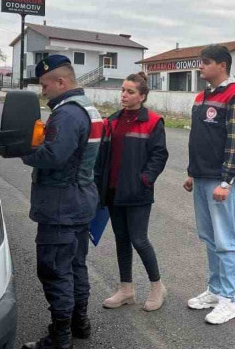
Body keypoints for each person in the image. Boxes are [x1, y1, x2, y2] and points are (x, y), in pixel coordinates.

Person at [20, 55, 103, 349]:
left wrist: (24, 152)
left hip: (60, 206)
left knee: (56, 271)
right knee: (75, 266)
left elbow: (54, 156)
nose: (43, 92)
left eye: (45, 85)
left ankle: (60, 337)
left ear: (61, 82)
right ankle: (79, 323)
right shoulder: (88, 108)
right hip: (80, 200)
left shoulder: (67, 114)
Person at [183, 44, 235, 325]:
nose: (201, 66)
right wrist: (192, 172)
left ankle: (229, 300)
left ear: (222, 66)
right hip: (201, 177)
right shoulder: (201, 96)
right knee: (209, 237)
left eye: (206, 62)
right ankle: (215, 291)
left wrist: (227, 180)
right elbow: (198, 139)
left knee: (226, 240)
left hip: (222, 181)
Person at [94, 73, 169, 312]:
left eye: (130, 92)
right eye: (123, 91)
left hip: (137, 193)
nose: (124, 95)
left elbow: (159, 156)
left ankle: (157, 287)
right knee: (122, 240)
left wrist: (145, 179)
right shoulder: (112, 121)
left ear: (142, 96)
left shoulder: (153, 121)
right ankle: (126, 289)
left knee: (139, 239)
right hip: (114, 192)